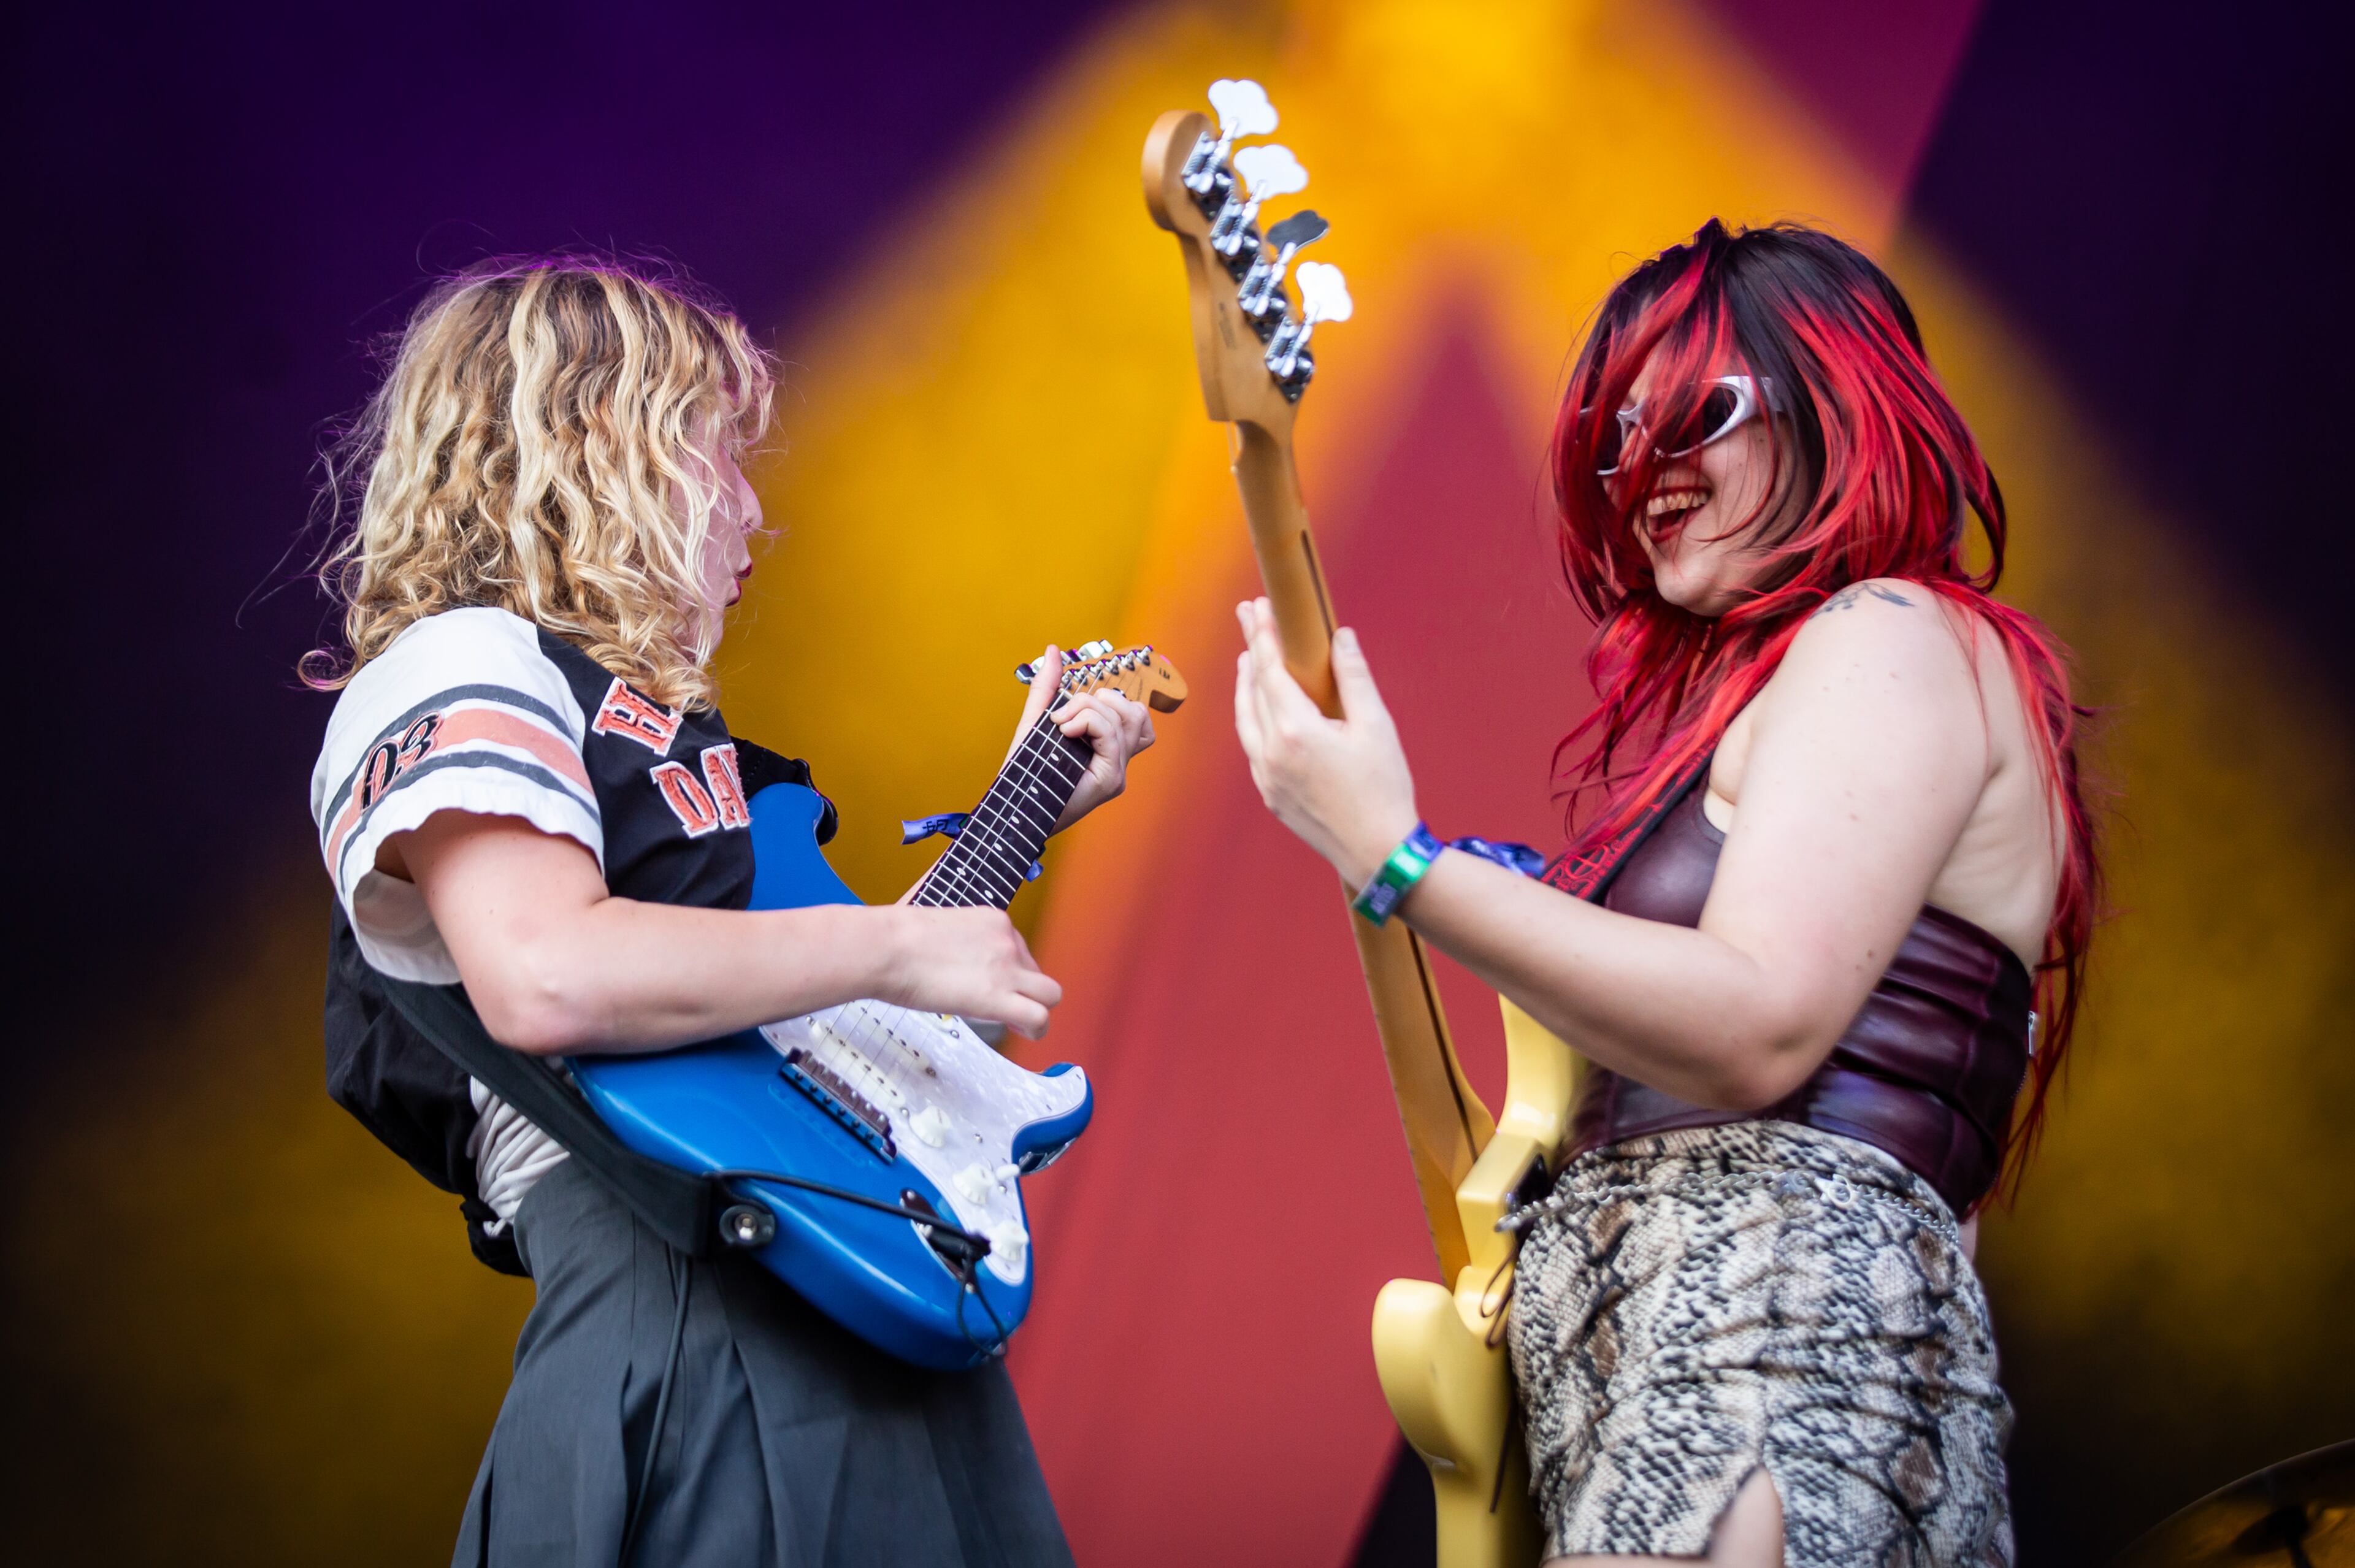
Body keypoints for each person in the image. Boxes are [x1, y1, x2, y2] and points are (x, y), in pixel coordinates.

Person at [1232, 220, 2096, 1567]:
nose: (1645, 473)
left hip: (1758, 1341)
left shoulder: (1895, 635)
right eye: (1616, 440)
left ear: (1839, 404)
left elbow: (1761, 1026)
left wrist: (1397, 857)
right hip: (1681, 1364)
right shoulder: (1802, 692)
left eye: (1693, 417)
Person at [304, 257, 1152, 1567]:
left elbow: (816, 1040)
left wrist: (1028, 803)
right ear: (599, 442)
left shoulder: (678, 757)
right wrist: (900, 939)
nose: (753, 509)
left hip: (847, 1297)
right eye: (715, 452)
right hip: (691, 1310)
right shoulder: (459, 660)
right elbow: (549, 973)